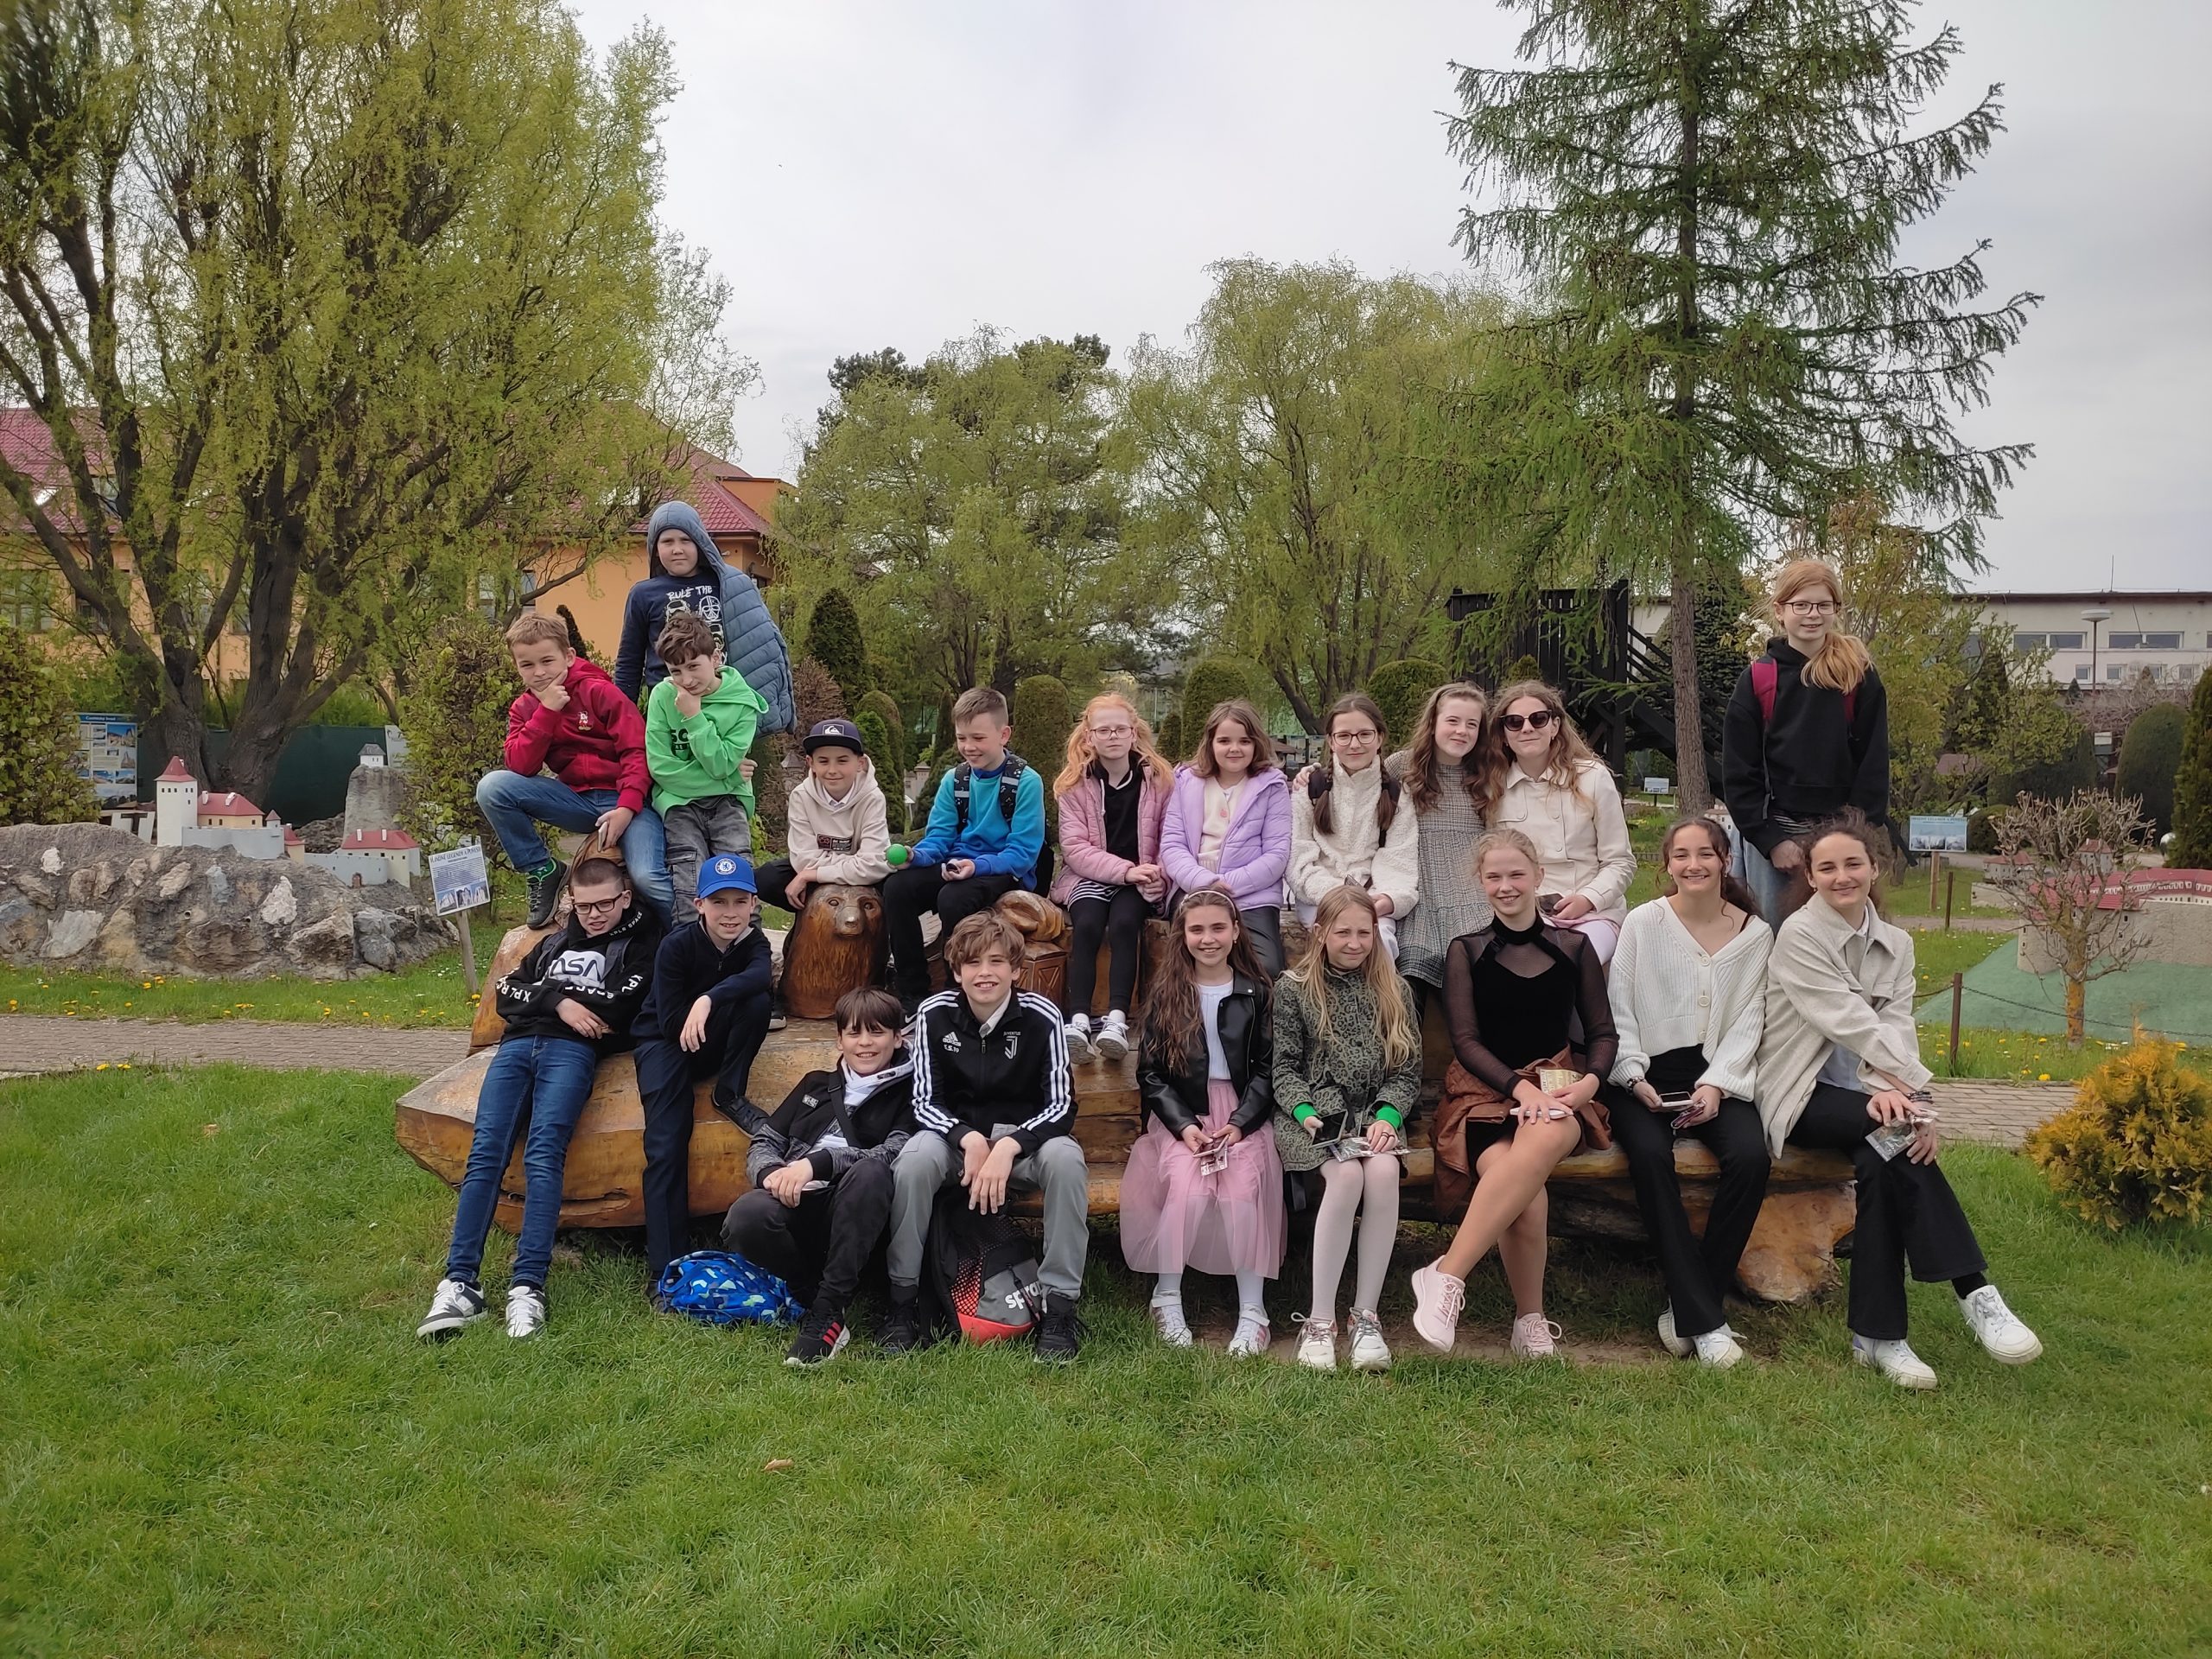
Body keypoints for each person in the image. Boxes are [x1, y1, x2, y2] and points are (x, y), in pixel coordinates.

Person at [1758, 810, 2040, 1389]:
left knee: (1883, 1161)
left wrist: (1910, 1101)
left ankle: (1879, 1337)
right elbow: (1849, 1019)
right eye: (1827, 868)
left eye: (1853, 864)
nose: (1842, 877)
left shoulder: (1897, 945)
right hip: (1799, 1092)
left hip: (1872, 1099)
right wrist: (1914, 1104)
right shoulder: (1799, 936)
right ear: (1809, 877)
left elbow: (1898, 1026)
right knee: (1892, 1138)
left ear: (1875, 867)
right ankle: (1975, 1292)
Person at [416, 857, 661, 1340]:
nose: (592, 915)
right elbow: (506, 992)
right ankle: (460, 1284)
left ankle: (528, 1287)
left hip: (572, 1054)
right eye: (582, 906)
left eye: (603, 905)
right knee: (485, 1154)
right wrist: (561, 1002)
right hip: (514, 1050)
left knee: (545, 1153)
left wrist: (544, 996)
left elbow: (617, 1007)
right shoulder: (553, 942)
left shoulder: (642, 944)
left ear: (625, 897)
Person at [1408, 828, 1618, 1360]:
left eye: (1516, 874)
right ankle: (1529, 1320)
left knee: (1544, 1136)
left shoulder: (1574, 947)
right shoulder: (1467, 950)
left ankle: (1446, 1273)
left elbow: (1602, 1032)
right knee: (1527, 1191)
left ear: (1538, 876)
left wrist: (1590, 1083)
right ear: (1481, 883)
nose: (1506, 886)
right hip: (1483, 1092)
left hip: (1556, 1086)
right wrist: (1519, 1088)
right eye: (1494, 877)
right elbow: (1466, 1041)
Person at [1602, 817, 1774, 1369]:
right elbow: (1618, 1005)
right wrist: (1633, 1077)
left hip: (1716, 1076)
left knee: (1750, 1157)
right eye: (1682, 855)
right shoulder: (1643, 922)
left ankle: (1691, 1307)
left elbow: (1750, 1019)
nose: (1693, 864)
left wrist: (1717, 1084)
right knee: (1651, 1157)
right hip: (1643, 1074)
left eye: (1705, 853)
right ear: (1668, 864)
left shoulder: (1755, 935)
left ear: (1726, 860)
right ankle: (1707, 1320)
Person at [880, 910, 1087, 1361]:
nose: (985, 973)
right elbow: (924, 1101)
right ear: (957, 971)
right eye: (973, 963)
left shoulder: (1043, 1016)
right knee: (914, 1160)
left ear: (1016, 970)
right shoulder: (934, 1014)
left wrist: (1009, 1147)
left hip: (1024, 1145)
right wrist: (969, 1139)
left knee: (1067, 1160)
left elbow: (1061, 1104)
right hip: (959, 1146)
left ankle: (1059, 1309)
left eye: (996, 962)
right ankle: (902, 1302)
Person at [1125, 887, 1285, 1356]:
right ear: (1183, 935)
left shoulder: (1257, 993)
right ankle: (1167, 1296)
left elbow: (1268, 1069)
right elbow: (1151, 1074)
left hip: (1241, 1115)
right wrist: (1184, 1126)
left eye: (1218, 928)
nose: (1208, 938)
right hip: (1186, 1116)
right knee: (1187, 1187)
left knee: (1241, 1189)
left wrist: (1239, 1123)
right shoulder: (1168, 994)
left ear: (1236, 931)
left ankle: (1253, 1311)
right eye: (1197, 929)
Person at [721, 987, 916, 1368]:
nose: (864, 1043)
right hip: (798, 1199)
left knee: (871, 1173)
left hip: (859, 1210)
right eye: (854, 1033)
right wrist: (771, 1173)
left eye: (876, 1032)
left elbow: (894, 1151)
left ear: (897, 1038)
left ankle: (827, 1313)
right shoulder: (815, 1084)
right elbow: (765, 1141)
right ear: (839, 1040)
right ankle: (810, 1294)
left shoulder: (910, 1092)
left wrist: (819, 1163)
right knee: (747, 1214)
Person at [1274, 885, 1422, 1373]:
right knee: (1346, 1177)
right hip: (1315, 1117)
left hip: (1373, 1116)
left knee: (1381, 1172)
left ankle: (1366, 1315)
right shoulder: (1294, 989)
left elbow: (1407, 1071)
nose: (1354, 943)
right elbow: (1284, 1069)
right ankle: (1320, 1320)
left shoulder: (1395, 989)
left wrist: (1388, 1117)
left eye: (1364, 932)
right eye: (1343, 933)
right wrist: (1304, 1112)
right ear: (1320, 933)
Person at [631, 854, 774, 1287]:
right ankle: (667, 1268)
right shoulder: (676, 945)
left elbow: (760, 977)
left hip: (708, 1033)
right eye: (718, 902)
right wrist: (702, 1007)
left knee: (758, 1001)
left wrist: (708, 999)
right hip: (664, 1042)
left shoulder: (754, 942)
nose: (730, 913)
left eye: (739, 901)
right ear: (699, 905)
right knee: (666, 1141)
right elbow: (671, 1024)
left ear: (753, 903)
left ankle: (728, 1092)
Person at [477, 612, 672, 927]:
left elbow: (637, 751)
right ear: (517, 666)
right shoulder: (524, 709)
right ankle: (543, 869)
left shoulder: (599, 692)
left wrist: (626, 808)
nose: (539, 672)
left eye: (547, 661)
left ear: (568, 656)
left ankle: (686, 936)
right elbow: (520, 765)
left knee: (647, 877)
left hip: (628, 803)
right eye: (527, 665)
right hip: (576, 801)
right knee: (493, 787)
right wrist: (546, 712)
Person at [1721, 558, 1891, 921]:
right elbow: (1739, 772)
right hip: (1776, 838)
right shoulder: (1758, 680)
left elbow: (1873, 765)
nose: (1813, 614)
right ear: (1780, 611)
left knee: (1845, 932)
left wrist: (1853, 838)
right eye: (1801, 605)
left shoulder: (1858, 676)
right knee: (1775, 935)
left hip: (1841, 836)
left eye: (1823, 605)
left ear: (1836, 610)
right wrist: (1770, 841)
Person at [881, 687, 1046, 1014]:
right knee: (897, 888)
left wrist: (977, 866)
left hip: (1003, 869)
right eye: (962, 738)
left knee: (953, 899)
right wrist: (916, 856)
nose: (969, 747)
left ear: (1004, 735)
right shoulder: (953, 780)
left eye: (978, 738)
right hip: (958, 864)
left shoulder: (1027, 782)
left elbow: (1023, 853)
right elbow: (939, 838)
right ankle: (912, 991)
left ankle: (956, 991)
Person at [1471, 680, 1635, 962]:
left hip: (1592, 913)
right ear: (1504, 733)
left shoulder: (1592, 778)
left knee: (1572, 961)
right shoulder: (1493, 788)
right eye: (1514, 722)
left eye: (1538, 719)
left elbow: (1620, 861)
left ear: (1555, 726)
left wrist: (1589, 898)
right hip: (1520, 911)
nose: (1527, 728)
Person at [1049, 692, 1172, 1064]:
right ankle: (1078, 1020)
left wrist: (1159, 876)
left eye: (1120, 729)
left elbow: (1172, 837)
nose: (1113, 736)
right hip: (1091, 875)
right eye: (1104, 730)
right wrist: (1124, 871)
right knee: (1086, 924)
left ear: (1134, 732)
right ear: (1089, 736)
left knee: (1124, 924)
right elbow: (1074, 849)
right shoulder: (1073, 785)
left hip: (1140, 877)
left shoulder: (1160, 781)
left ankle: (1117, 1019)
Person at [753, 718, 894, 1024]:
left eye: (842, 760)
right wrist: (818, 871)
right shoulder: (802, 796)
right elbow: (803, 858)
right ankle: (789, 965)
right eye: (823, 761)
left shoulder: (872, 797)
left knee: (895, 891)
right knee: (765, 879)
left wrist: (812, 875)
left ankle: (887, 970)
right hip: (830, 872)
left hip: (851, 878)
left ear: (860, 763)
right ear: (810, 763)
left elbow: (874, 862)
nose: (832, 770)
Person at [613, 499, 795, 733]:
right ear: (655, 548)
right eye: (667, 541)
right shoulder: (643, 595)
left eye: (686, 540)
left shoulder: (728, 585)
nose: (677, 549)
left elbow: (760, 649)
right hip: (671, 707)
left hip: (725, 705)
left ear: (700, 542)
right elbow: (629, 662)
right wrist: (621, 721)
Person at [644, 611, 769, 909]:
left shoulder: (743, 704)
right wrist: (730, 777)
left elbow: (720, 764)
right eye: (675, 671)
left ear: (715, 658)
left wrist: (694, 716)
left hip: (728, 802)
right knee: (689, 879)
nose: (686, 680)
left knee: (736, 876)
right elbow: (661, 768)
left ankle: (747, 936)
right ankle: (690, 936)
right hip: (679, 804)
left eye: (693, 666)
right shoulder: (662, 696)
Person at [1158, 698, 1293, 975]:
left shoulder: (1272, 786)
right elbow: (1172, 845)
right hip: (1194, 889)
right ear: (1210, 743)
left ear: (1256, 743)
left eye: (1244, 741)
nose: (1234, 748)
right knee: (1188, 963)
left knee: (1265, 967)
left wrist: (1228, 885)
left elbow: (1277, 854)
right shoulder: (1187, 782)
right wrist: (1205, 883)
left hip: (1251, 895)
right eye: (1224, 741)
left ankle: (1244, 1005)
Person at [1287, 693, 1420, 961]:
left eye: (1364, 735)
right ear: (1331, 741)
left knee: (1381, 943)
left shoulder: (1396, 795)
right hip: (1320, 898)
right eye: (1344, 736)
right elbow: (1298, 858)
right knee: (1335, 938)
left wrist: (1388, 899)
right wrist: (1337, 897)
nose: (1355, 744)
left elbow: (1400, 860)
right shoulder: (1310, 788)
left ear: (1380, 738)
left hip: (1372, 899)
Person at [1388, 683, 1490, 1001]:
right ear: (1433, 723)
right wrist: (1313, 774)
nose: (1462, 731)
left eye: (1472, 724)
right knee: (1410, 975)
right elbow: (1356, 785)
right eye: (1453, 721)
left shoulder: (1487, 774)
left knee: (1480, 970)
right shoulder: (1400, 767)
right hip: (1419, 890)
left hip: (1469, 892)